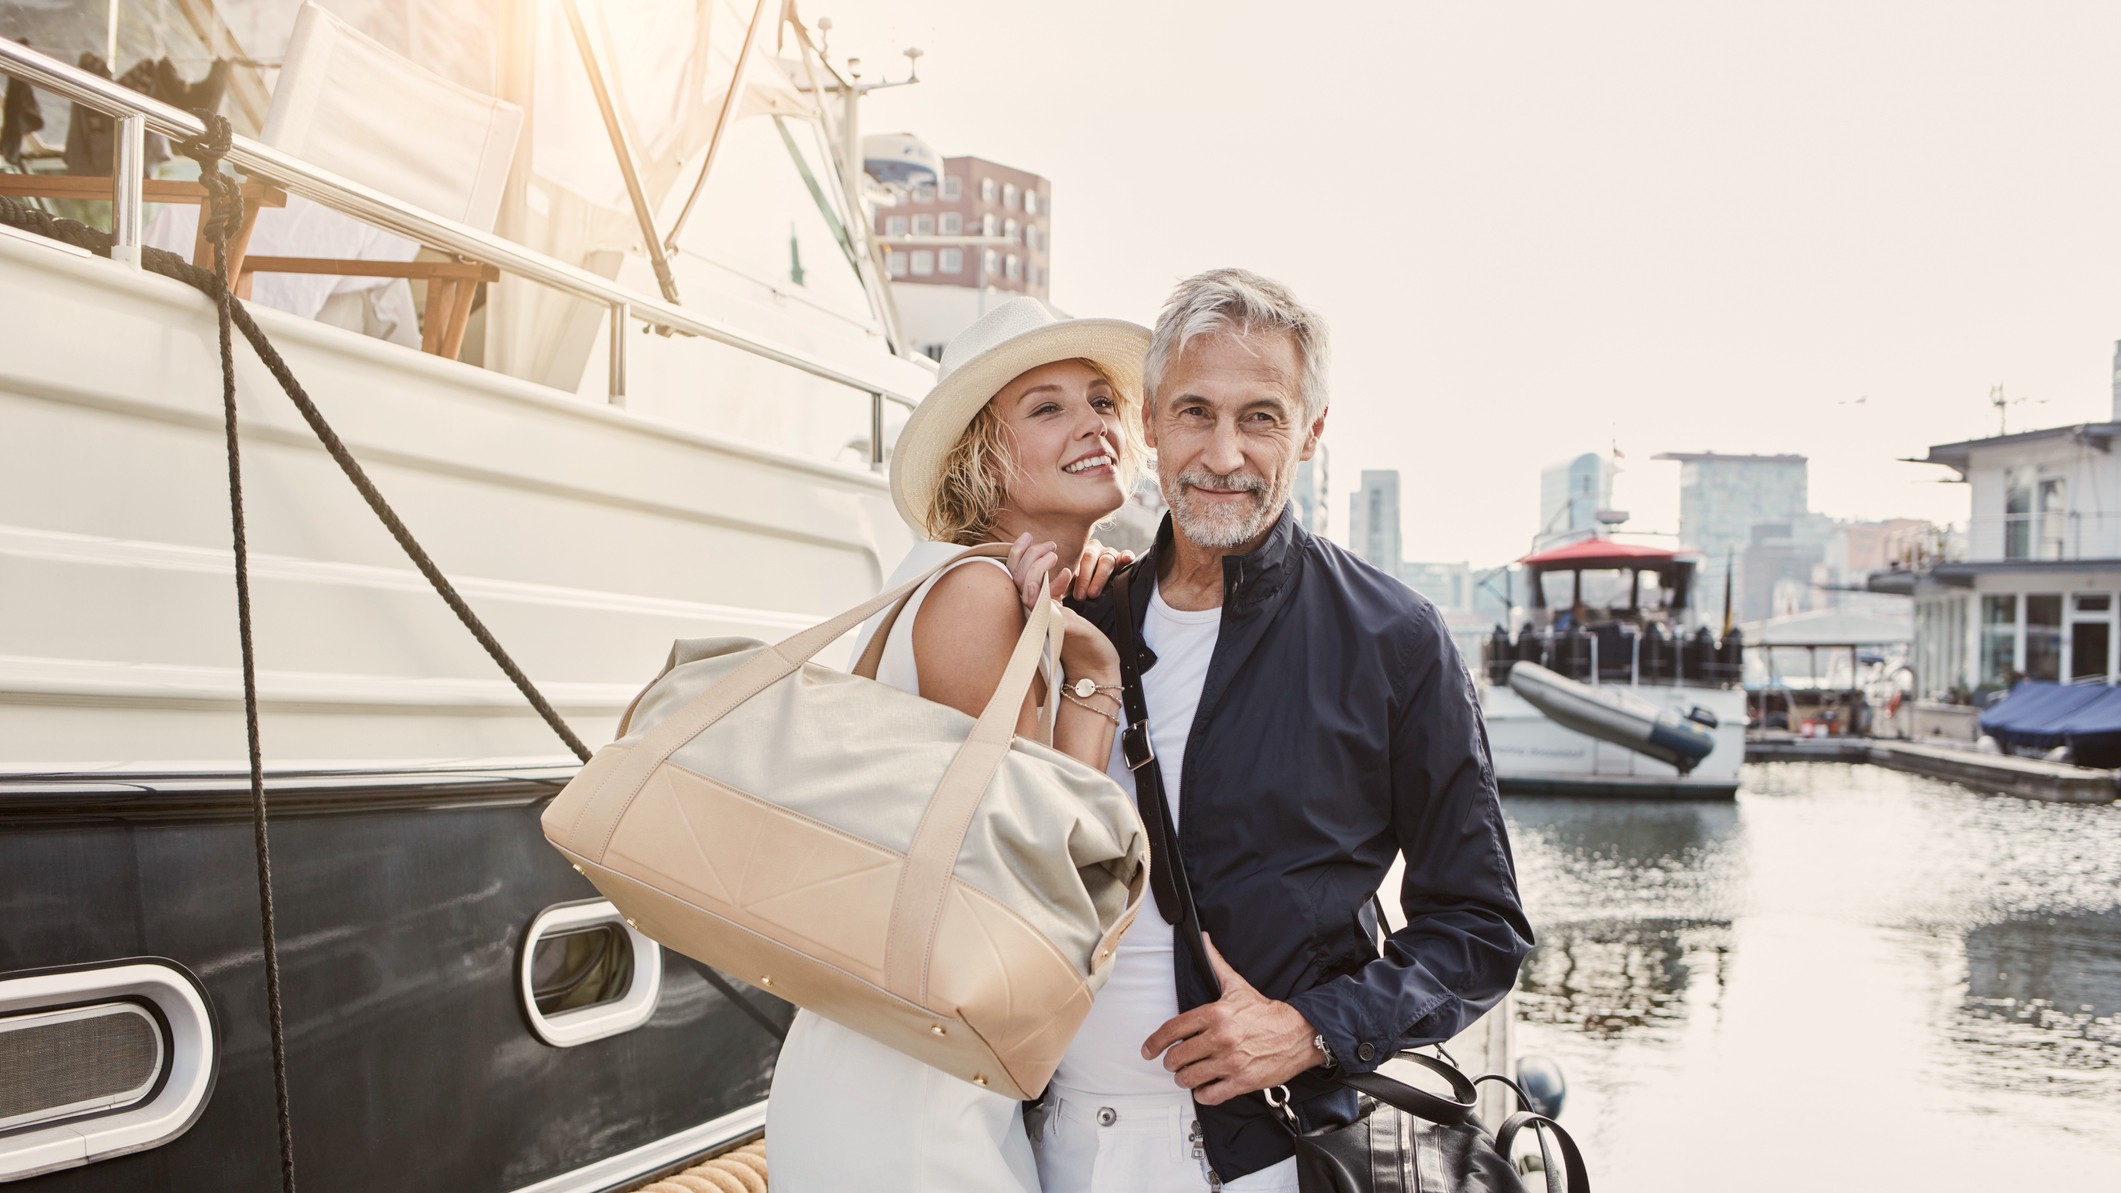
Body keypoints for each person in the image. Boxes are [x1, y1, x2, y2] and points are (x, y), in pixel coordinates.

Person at [1028, 268, 1534, 1192]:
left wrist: (1310, 1027)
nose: (1223, 454)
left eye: (1259, 416)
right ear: (1150, 422)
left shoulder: (1394, 639)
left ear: (1311, 431)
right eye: (1194, 412)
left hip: (1259, 1160)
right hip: (1050, 1149)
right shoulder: (1086, 616)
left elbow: (1480, 926)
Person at [765, 296, 1150, 1192]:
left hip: (892, 1053)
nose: (1091, 423)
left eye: (1100, 399)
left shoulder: (960, 580)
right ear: (984, 452)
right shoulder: (979, 593)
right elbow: (1032, 874)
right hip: (915, 1092)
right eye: (1046, 407)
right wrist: (1091, 679)